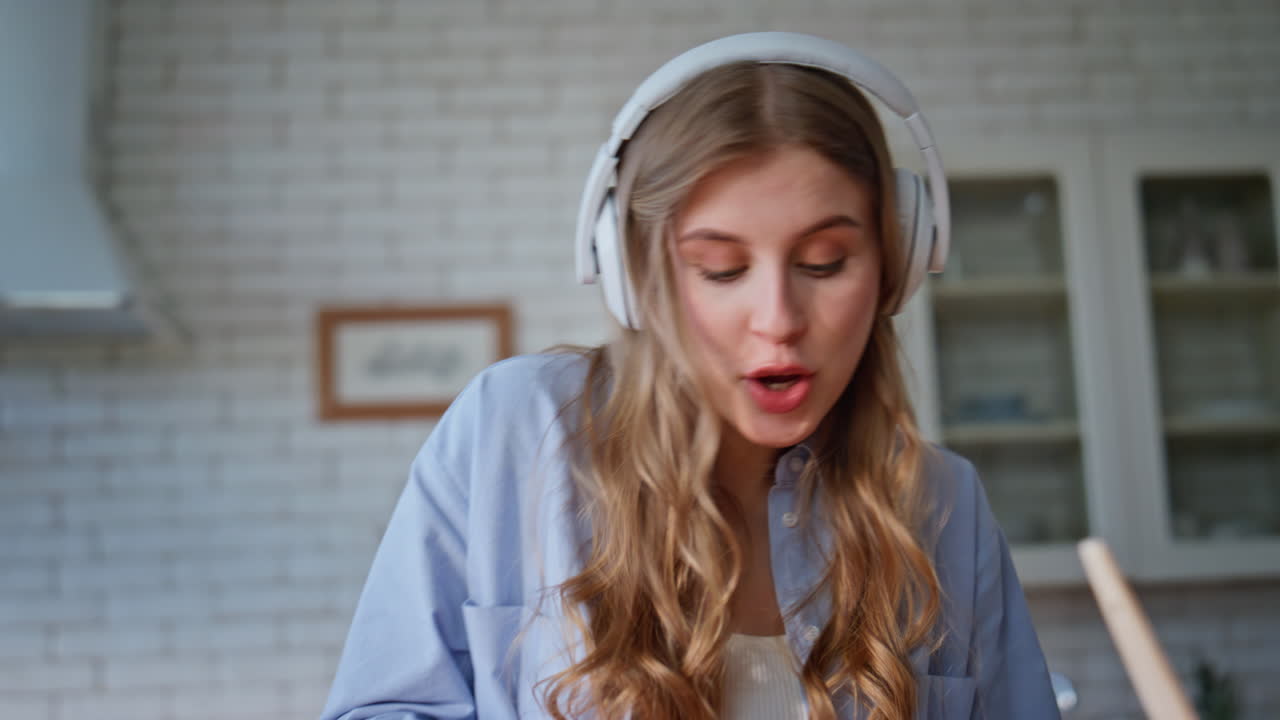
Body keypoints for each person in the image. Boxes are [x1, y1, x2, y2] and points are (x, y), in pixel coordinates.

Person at [320, 32, 1061, 720]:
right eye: (720, 269)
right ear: (633, 278)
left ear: (896, 265)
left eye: (824, 262)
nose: (777, 317)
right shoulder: (511, 432)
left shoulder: (945, 508)